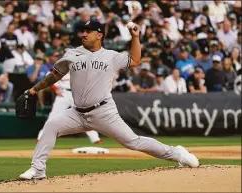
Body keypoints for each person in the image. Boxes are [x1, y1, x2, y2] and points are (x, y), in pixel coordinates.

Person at [19, 20, 199, 180]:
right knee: (51, 126)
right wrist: (34, 90)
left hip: (103, 112)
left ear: (99, 35)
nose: (83, 34)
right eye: (83, 31)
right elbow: (55, 75)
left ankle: (178, 153)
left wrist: (135, 38)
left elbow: (135, 60)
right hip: (77, 113)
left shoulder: (111, 56)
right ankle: (38, 169)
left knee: (133, 142)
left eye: (88, 31)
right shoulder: (71, 54)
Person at [37, 71, 102, 144]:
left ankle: (95, 139)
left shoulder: (79, 69)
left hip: (76, 94)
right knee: (53, 117)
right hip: (63, 94)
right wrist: (55, 89)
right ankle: (41, 137)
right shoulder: (59, 69)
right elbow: (49, 79)